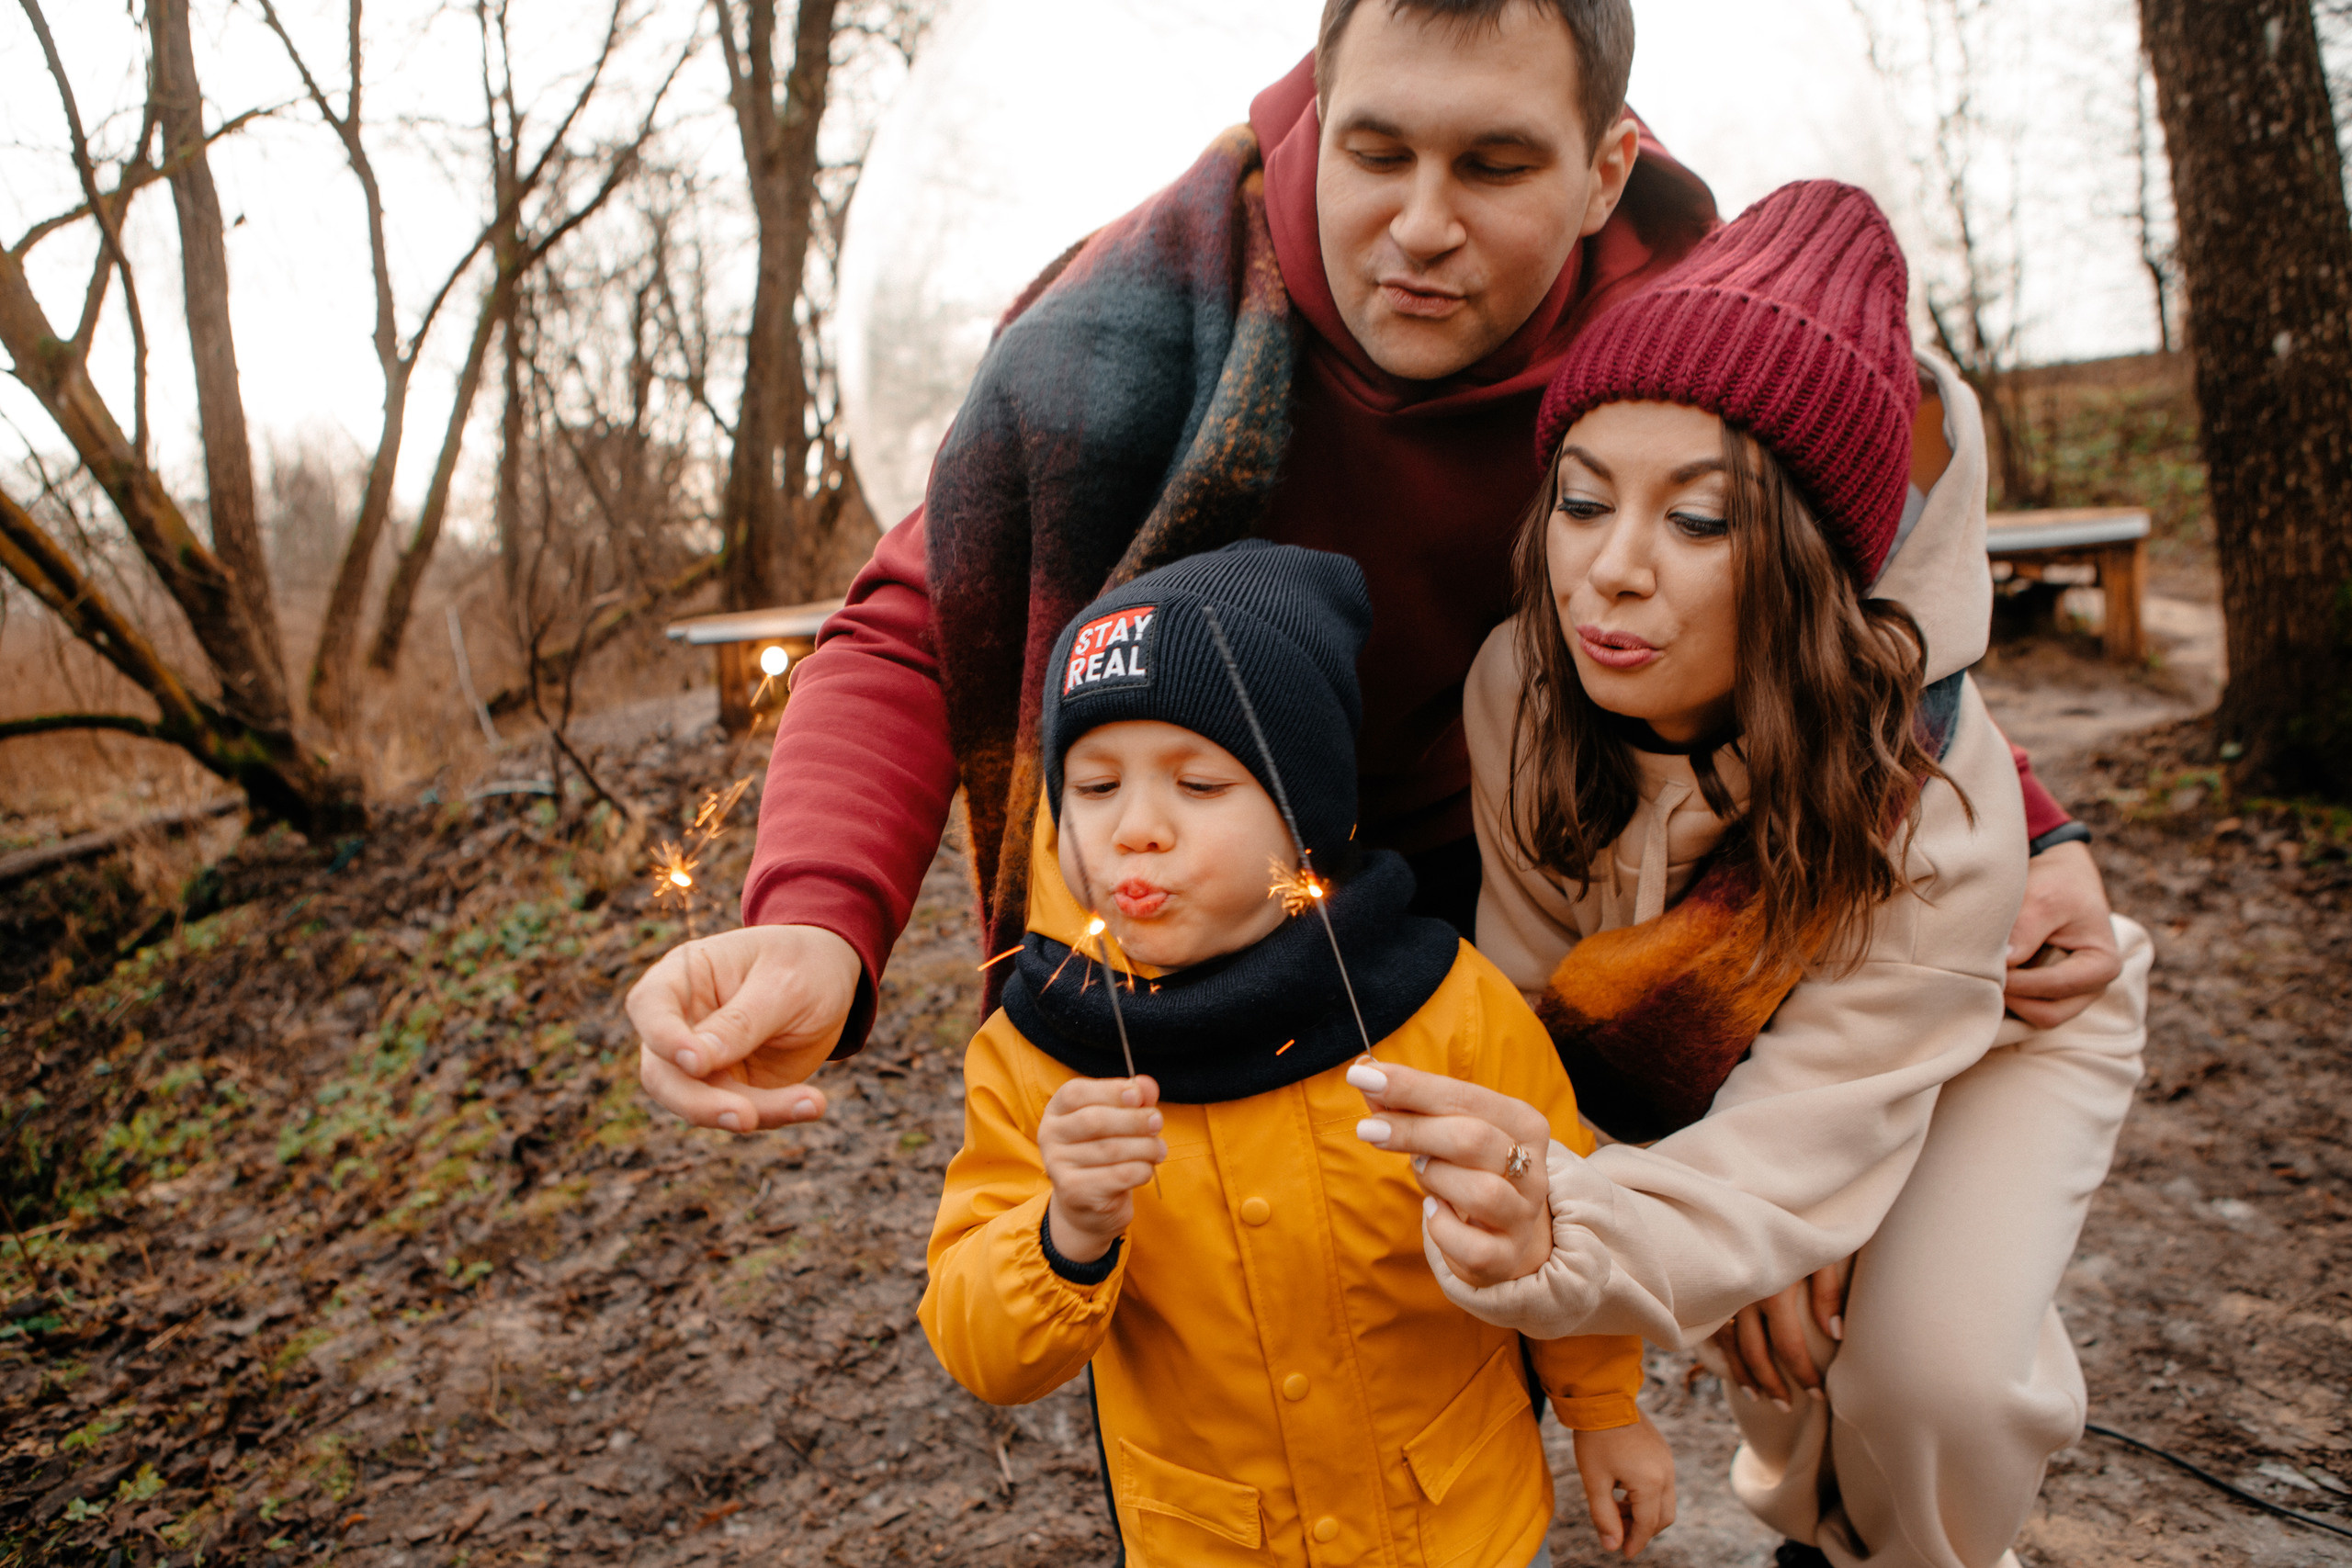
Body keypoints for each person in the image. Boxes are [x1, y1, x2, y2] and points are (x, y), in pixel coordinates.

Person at [626, 0, 2124, 1144]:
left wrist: (2031, 826)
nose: (1419, 227)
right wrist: (816, 915)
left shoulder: (1694, 326)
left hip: (1537, 894)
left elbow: (1845, 598)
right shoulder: (1131, 339)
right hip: (1213, 913)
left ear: (1607, 169)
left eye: (1494, 165)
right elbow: (909, 625)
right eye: (1378, 150)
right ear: (1313, 113)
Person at [1348, 182, 2153, 1568]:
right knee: (1773, 1320)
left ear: (1804, 558)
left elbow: (1808, 1130)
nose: (1610, 571)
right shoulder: (1519, 693)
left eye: (1700, 522)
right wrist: (1630, 1210)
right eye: (1584, 501)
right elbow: (1561, 1012)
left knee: (1932, 1378)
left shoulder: (1937, 796)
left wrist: (1794, 1198)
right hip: (1738, 1056)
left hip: (1998, 1016)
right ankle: (1808, 1526)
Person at [921, 540, 1676, 1565]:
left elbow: (1556, 1207)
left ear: (1303, 815)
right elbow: (981, 1352)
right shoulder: (1043, 1055)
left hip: (1459, 1526)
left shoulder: (1439, 1005)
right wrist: (1066, 1232)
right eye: (1094, 788)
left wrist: (1604, 1409)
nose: (1137, 828)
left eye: (1197, 782)